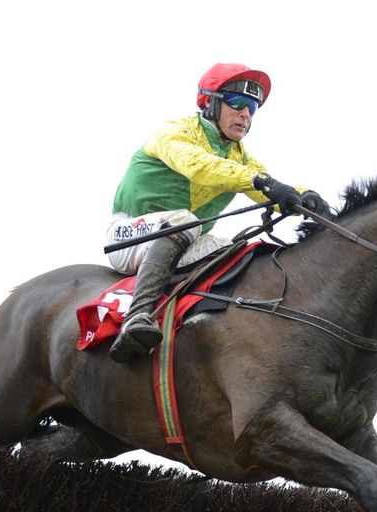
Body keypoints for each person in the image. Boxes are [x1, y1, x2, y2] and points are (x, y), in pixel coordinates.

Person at [105, 62, 330, 363]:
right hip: (128, 236)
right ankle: (137, 317)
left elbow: (268, 186)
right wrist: (259, 181)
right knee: (184, 221)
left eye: (252, 107)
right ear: (209, 102)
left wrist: (304, 198)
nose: (245, 114)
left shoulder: (239, 156)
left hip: (181, 239)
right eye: (237, 103)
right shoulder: (174, 131)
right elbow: (200, 167)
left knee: (232, 249)